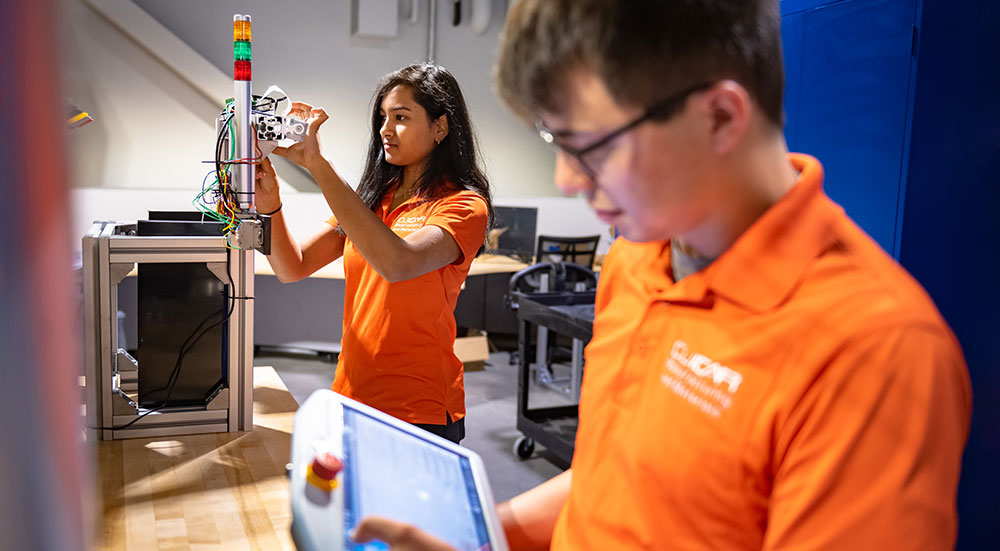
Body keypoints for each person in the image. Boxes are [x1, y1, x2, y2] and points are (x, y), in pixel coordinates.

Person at [353, 0, 971, 549]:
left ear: (721, 118)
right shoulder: (637, 258)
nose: (567, 180)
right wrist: (483, 534)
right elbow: (613, 477)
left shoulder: (875, 355)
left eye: (591, 143)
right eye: (554, 139)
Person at [256, 63, 492, 444]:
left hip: (419, 409)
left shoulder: (463, 206)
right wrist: (270, 207)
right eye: (382, 117)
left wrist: (319, 165)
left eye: (401, 117)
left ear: (440, 127)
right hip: (351, 396)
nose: (385, 129)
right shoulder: (370, 203)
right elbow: (291, 266)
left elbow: (398, 263)